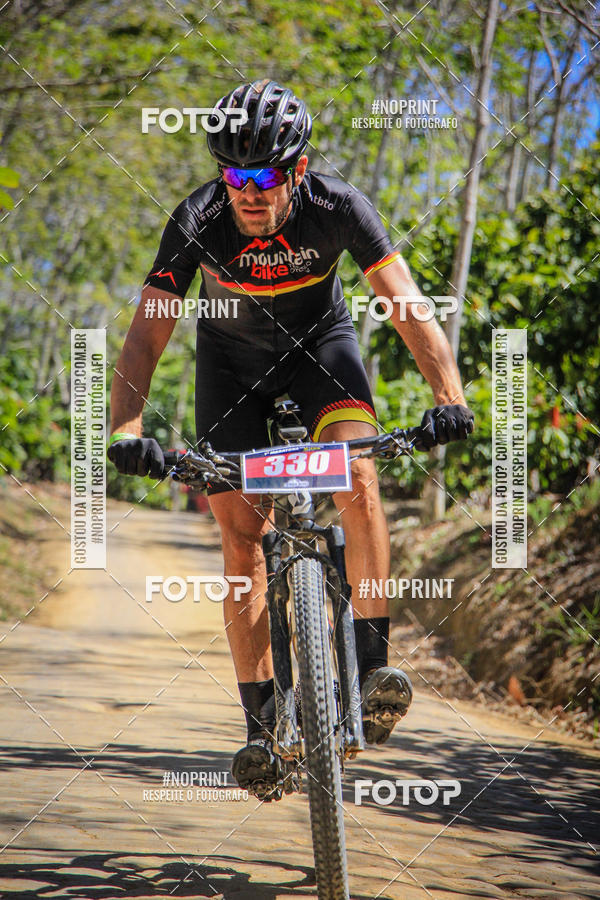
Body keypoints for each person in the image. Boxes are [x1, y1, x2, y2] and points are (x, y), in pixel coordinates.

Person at [108, 79, 474, 798]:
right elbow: (150, 330)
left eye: (265, 175)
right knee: (241, 540)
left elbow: (404, 304)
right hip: (228, 367)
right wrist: (125, 426)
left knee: (359, 478)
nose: (247, 190)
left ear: (297, 170)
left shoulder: (339, 209)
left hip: (321, 353)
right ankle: (260, 730)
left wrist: (449, 397)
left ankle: (372, 671)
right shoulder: (196, 220)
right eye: (234, 174)